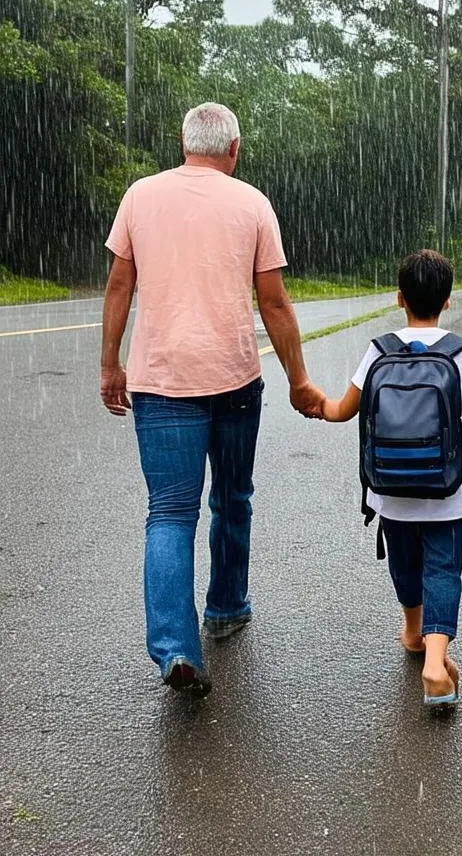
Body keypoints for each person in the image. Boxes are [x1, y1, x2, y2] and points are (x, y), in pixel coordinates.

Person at [100, 102, 325, 697]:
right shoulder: (251, 203)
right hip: (233, 381)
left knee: (170, 512)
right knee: (233, 497)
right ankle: (225, 606)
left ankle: (175, 647)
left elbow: (120, 284)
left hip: (161, 381)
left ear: (183, 144)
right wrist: (299, 379)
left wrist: (109, 366)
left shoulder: (140, 196)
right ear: (234, 150)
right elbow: (274, 303)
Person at [321, 250, 462, 706]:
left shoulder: (379, 351)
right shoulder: (461, 354)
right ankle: (435, 662)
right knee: (442, 568)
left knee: (405, 563)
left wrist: (312, 401)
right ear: (448, 301)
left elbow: (341, 410)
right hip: (448, 490)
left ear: (399, 298)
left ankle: (412, 632)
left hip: (390, 488)